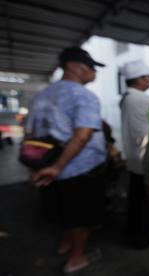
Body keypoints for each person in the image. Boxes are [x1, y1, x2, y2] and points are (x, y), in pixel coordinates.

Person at [25, 47, 107, 273]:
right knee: (81, 215)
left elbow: (31, 134)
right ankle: (76, 258)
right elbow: (83, 135)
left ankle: (66, 243)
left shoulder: (41, 95)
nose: (94, 72)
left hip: (49, 168)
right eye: (90, 67)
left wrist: (42, 167)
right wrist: (57, 166)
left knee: (62, 210)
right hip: (80, 169)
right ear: (72, 66)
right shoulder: (83, 95)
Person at [120, 60, 149, 248]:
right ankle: (144, 239)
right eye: (148, 77)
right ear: (140, 79)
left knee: (136, 202)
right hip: (146, 161)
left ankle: (132, 235)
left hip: (134, 159)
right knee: (147, 204)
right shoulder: (143, 100)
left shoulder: (126, 97)